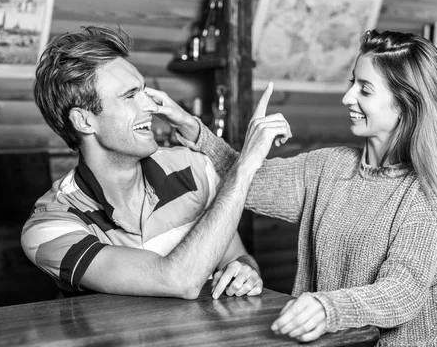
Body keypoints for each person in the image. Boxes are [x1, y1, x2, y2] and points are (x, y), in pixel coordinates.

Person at [165, 30, 437, 347]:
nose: (348, 97)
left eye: (365, 89)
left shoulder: (426, 192)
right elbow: (250, 184)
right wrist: (195, 131)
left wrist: (327, 307)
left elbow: (402, 292)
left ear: (405, 104)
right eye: (352, 82)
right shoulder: (330, 166)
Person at [21, 25, 292, 300]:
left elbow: (239, 257)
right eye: (129, 96)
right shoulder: (50, 225)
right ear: (84, 120)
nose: (150, 105)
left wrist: (244, 271)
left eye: (144, 90)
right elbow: (178, 280)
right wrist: (244, 166)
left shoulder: (194, 168)